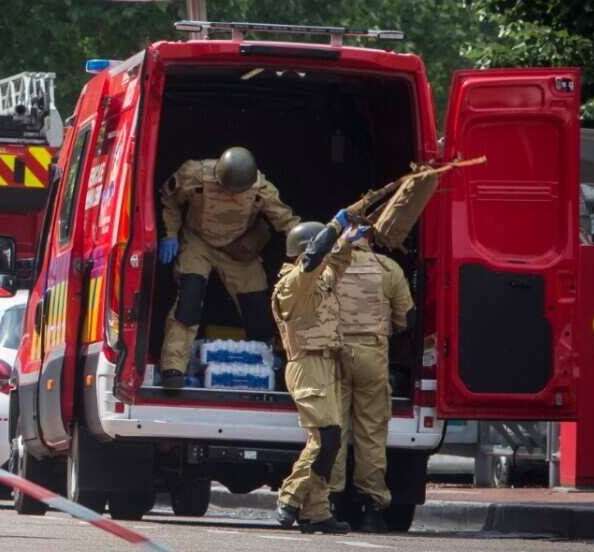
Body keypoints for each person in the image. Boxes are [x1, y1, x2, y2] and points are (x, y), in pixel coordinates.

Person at [157, 146, 300, 388]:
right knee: (188, 301)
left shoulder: (261, 188)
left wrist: (307, 245)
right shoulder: (195, 174)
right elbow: (169, 198)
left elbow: (285, 220)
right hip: (197, 242)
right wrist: (169, 233)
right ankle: (173, 367)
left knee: (257, 307)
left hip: (237, 249)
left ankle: (267, 364)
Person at [272, 211, 365, 535]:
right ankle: (290, 497)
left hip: (326, 365)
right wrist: (336, 224)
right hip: (306, 365)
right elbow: (314, 260)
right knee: (326, 439)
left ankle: (316, 512)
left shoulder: (318, 279)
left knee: (329, 441)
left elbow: (333, 266)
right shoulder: (293, 284)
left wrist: (346, 243)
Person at [328, 240, 415, 533]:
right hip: (372, 356)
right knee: (371, 433)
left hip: (333, 355)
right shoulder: (388, 267)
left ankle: (329, 503)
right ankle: (371, 509)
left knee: (332, 430)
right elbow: (406, 318)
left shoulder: (328, 265)